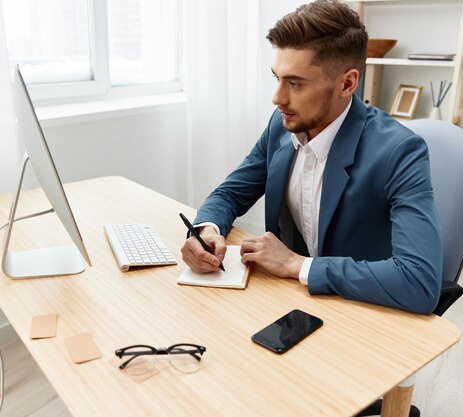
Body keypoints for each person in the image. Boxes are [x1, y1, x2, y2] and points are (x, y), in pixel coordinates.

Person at [180, 0, 442, 314]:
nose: (277, 98)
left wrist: (297, 265)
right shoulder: (281, 125)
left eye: (295, 83)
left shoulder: (400, 151)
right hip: (291, 302)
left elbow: (419, 282)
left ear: (347, 83)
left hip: (362, 311)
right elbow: (231, 193)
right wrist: (207, 229)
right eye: (277, 78)